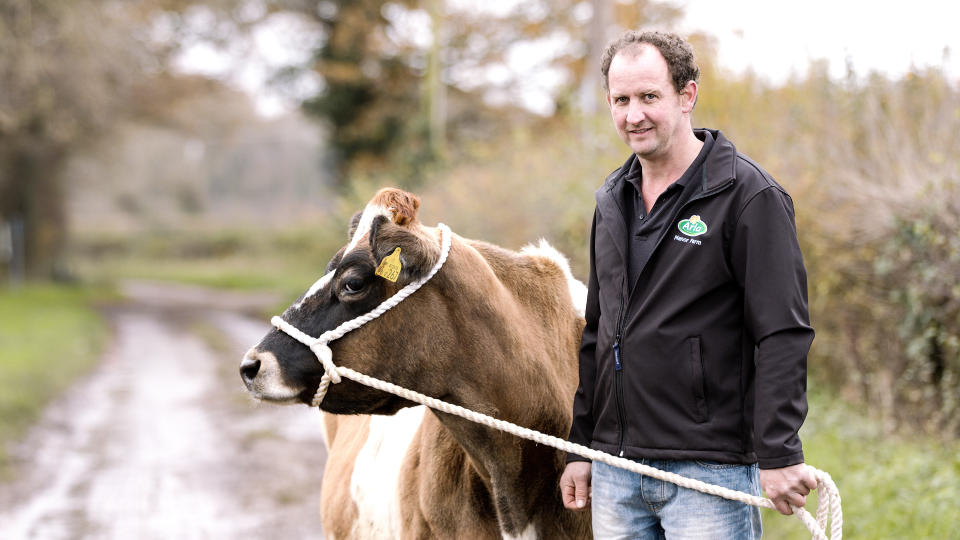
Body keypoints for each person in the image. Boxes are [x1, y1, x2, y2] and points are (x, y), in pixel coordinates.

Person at [559, 30, 818, 539]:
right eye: (621, 100)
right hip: (616, 470)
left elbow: (782, 333)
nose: (634, 115)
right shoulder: (611, 200)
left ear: (687, 96)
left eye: (649, 97)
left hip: (708, 471)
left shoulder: (748, 196)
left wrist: (779, 450)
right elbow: (598, 332)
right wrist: (582, 447)